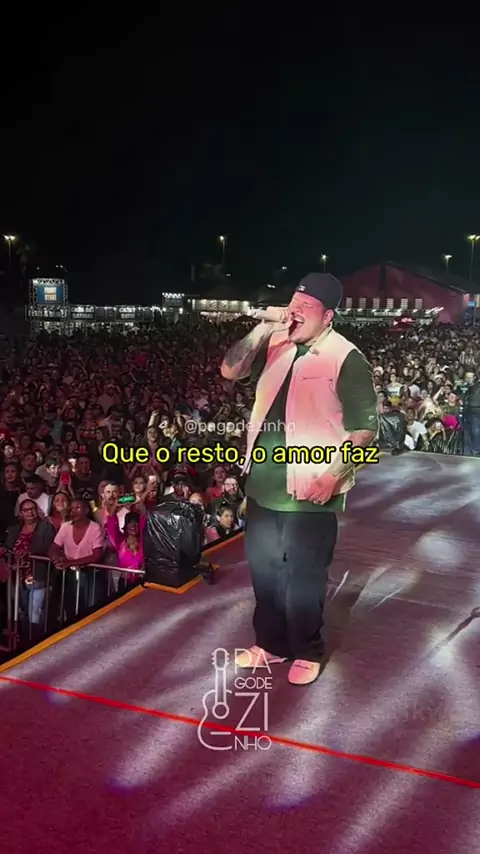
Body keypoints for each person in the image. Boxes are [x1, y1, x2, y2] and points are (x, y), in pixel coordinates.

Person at [221, 273, 378, 686]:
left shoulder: (346, 357)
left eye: (306, 307)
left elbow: (365, 430)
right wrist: (262, 327)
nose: (295, 312)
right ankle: (270, 643)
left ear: (328, 316)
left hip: (311, 485)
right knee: (265, 571)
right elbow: (230, 370)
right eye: (293, 303)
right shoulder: (276, 343)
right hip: (263, 482)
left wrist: (333, 475)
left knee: (305, 577)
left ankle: (307, 649)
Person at [1, 499, 55, 633]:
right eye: (26, 510)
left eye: (32, 509)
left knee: (35, 613)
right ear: (21, 513)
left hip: (37, 575)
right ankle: (25, 639)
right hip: (16, 577)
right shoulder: (14, 529)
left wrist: (29, 552)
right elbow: (8, 546)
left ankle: (36, 639)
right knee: (21, 612)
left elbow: (47, 546)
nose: (30, 512)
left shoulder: (46, 527)